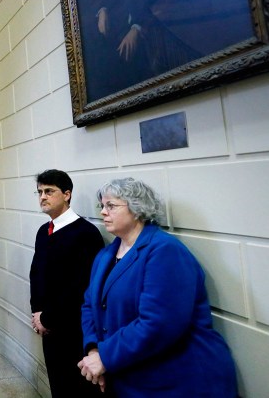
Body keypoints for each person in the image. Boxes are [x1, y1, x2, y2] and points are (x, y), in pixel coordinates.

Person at [78, 177, 238, 396]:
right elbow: (89, 305)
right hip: (130, 373)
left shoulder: (165, 251)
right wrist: (94, 348)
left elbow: (159, 323)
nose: (103, 212)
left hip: (177, 379)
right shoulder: (106, 254)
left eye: (111, 206)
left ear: (136, 209)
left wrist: (105, 356)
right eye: (102, 206)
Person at [29, 169, 104, 397]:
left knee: (76, 389)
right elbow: (36, 275)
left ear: (67, 194)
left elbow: (81, 288)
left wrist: (47, 317)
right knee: (57, 386)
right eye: (40, 191)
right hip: (47, 327)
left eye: (49, 191)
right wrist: (37, 314)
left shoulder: (86, 234)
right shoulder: (44, 231)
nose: (42, 196)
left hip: (73, 331)